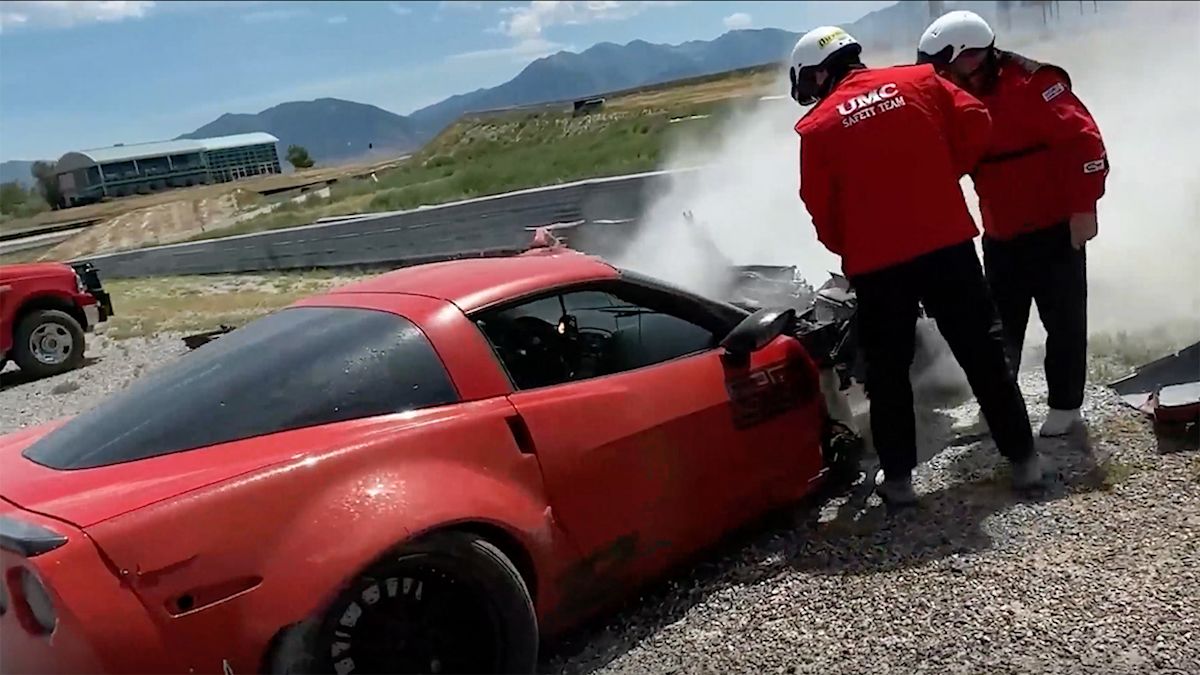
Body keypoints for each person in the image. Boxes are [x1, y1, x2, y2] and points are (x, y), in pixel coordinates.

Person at [789, 25, 1043, 505]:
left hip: (877, 262)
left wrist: (848, 245)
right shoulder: (921, 81)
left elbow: (820, 207)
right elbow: (976, 121)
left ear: (820, 73)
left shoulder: (817, 127)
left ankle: (901, 481)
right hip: (946, 243)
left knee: (887, 372)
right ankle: (1025, 461)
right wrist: (944, 173)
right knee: (982, 354)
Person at [917, 10, 1109, 436]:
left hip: (1056, 225)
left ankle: (1065, 407)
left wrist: (1084, 208)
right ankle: (998, 408)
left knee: (1063, 322)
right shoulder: (954, 97)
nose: (948, 76)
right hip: (1000, 232)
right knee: (999, 328)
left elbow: (1084, 143)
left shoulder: (1034, 82)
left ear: (977, 55)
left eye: (953, 66)